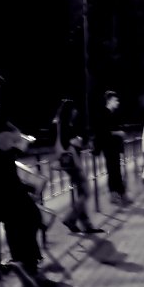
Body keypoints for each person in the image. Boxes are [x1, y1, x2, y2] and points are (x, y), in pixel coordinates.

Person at [0, 67, 57, 287]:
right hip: (2, 178)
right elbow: (7, 143)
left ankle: (22, 264)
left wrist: (14, 137)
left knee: (16, 221)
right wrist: (19, 141)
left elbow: (5, 137)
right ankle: (28, 268)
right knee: (31, 216)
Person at [52, 98, 102, 233]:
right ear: (69, 111)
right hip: (74, 163)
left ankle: (83, 223)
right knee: (86, 191)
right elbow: (72, 143)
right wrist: (81, 141)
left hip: (71, 163)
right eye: (73, 110)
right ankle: (69, 218)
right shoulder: (66, 126)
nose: (76, 112)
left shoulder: (62, 124)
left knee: (82, 191)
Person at [96, 90, 131, 206]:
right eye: (116, 100)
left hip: (113, 148)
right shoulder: (104, 114)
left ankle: (118, 195)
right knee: (113, 172)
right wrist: (119, 133)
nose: (118, 102)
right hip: (109, 148)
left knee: (115, 172)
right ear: (109, 101)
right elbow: (104, 132)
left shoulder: (112, 114)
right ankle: (118, 195)